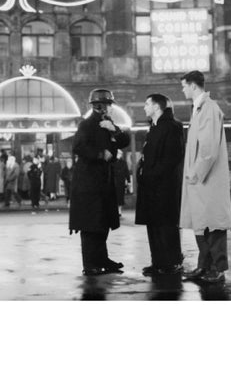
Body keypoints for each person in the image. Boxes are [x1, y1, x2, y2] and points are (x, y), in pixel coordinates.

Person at [69, 88, 130, 276]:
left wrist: (115, 130)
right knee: (90, 226)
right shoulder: (86, 124)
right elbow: (78, 146)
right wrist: (100, 154)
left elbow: (124, 141)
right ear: (100, 106)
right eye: (109, 105)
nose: (111, 108)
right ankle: (91, 264)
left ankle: (102, 259)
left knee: (102, 224)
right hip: (88, 184)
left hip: (102, 183)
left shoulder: (107, 123)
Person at [180, 71, 231, 284]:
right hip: (200, 181)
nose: (182, 90)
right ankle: (204, 266)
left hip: (206, 179)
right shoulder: (199, 108)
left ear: (193, 86)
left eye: (184, 86)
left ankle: (217, 269)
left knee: (214, 224)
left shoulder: (208, 109)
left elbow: (208, 148)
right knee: (202, 223)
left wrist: (196, 172)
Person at [135, 94, 185, 275]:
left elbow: (172, 157)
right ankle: (157, 262)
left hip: (165, 187)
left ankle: (171, 262)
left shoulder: (173, 126)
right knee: (153, 225)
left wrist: (152, 174)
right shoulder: (154, 127)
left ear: (157, 107)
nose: (144, 107)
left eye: (147, 104)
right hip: (151, 185)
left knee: (166, 226)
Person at [113, 150, 130, 217]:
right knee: (115, 197)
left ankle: (119, 211)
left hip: (121, 182)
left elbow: (126, 171)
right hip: (114, 182)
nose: (119, 155)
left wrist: (128, 180)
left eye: (120, 154)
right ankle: (115, 211)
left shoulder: (123, 162)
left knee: (120, 197)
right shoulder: (113, 162)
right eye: (118, 153)